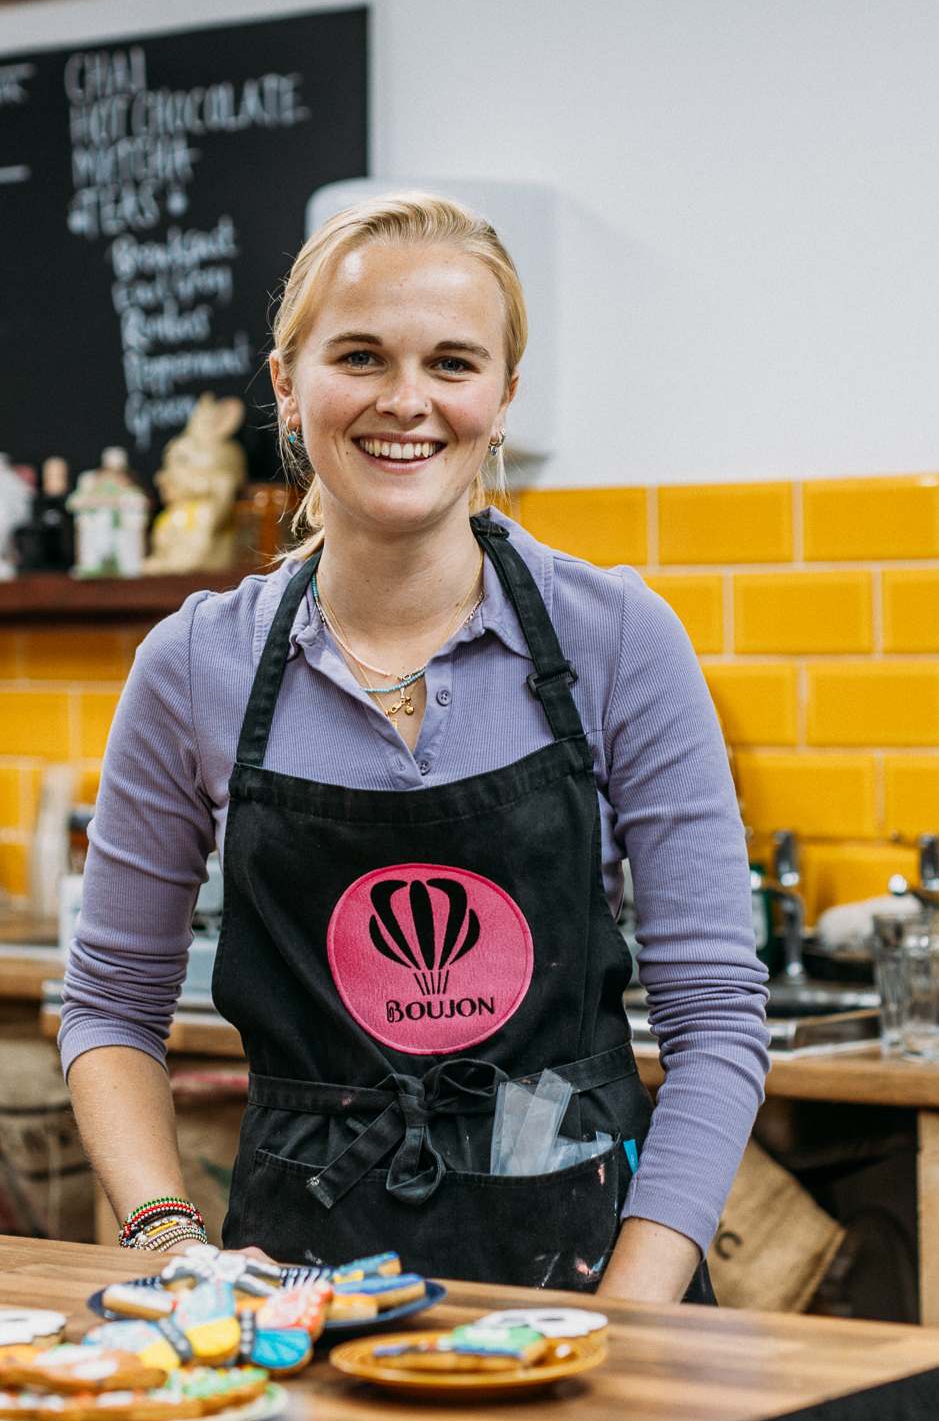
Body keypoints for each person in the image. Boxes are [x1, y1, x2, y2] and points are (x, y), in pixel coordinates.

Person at [56, 192, 769, 1302]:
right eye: (359, 356)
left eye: (451, 362)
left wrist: (634, 1316)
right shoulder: (195, 665)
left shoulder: (619, 640)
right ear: (288, 384)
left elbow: (717, 1017)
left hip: (596, 1284)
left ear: (502, 397)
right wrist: (167, 1243)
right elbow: (108, 1007)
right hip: (294, 1304)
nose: (406, 401)